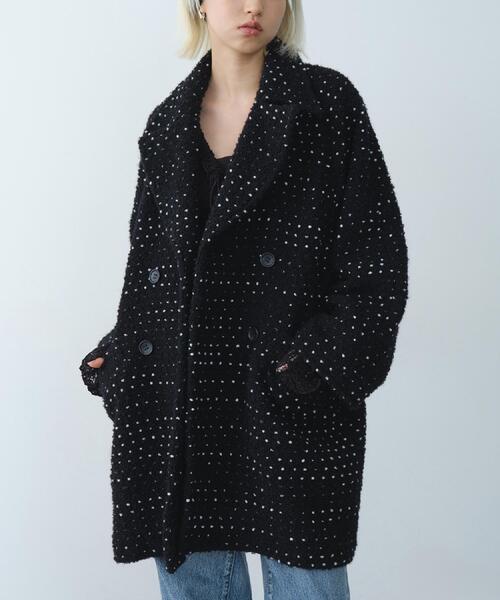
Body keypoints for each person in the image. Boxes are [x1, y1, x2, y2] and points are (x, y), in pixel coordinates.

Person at [79, 1, 409, 598]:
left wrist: (318, 361)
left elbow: (376, 260)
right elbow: (152, 267)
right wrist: (123, 352)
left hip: (288, 395)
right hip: (182, 404)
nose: (253, 5)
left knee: (308, 580)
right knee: (196, 581)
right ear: (199, 4)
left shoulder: (326, 105)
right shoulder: (167, 125)